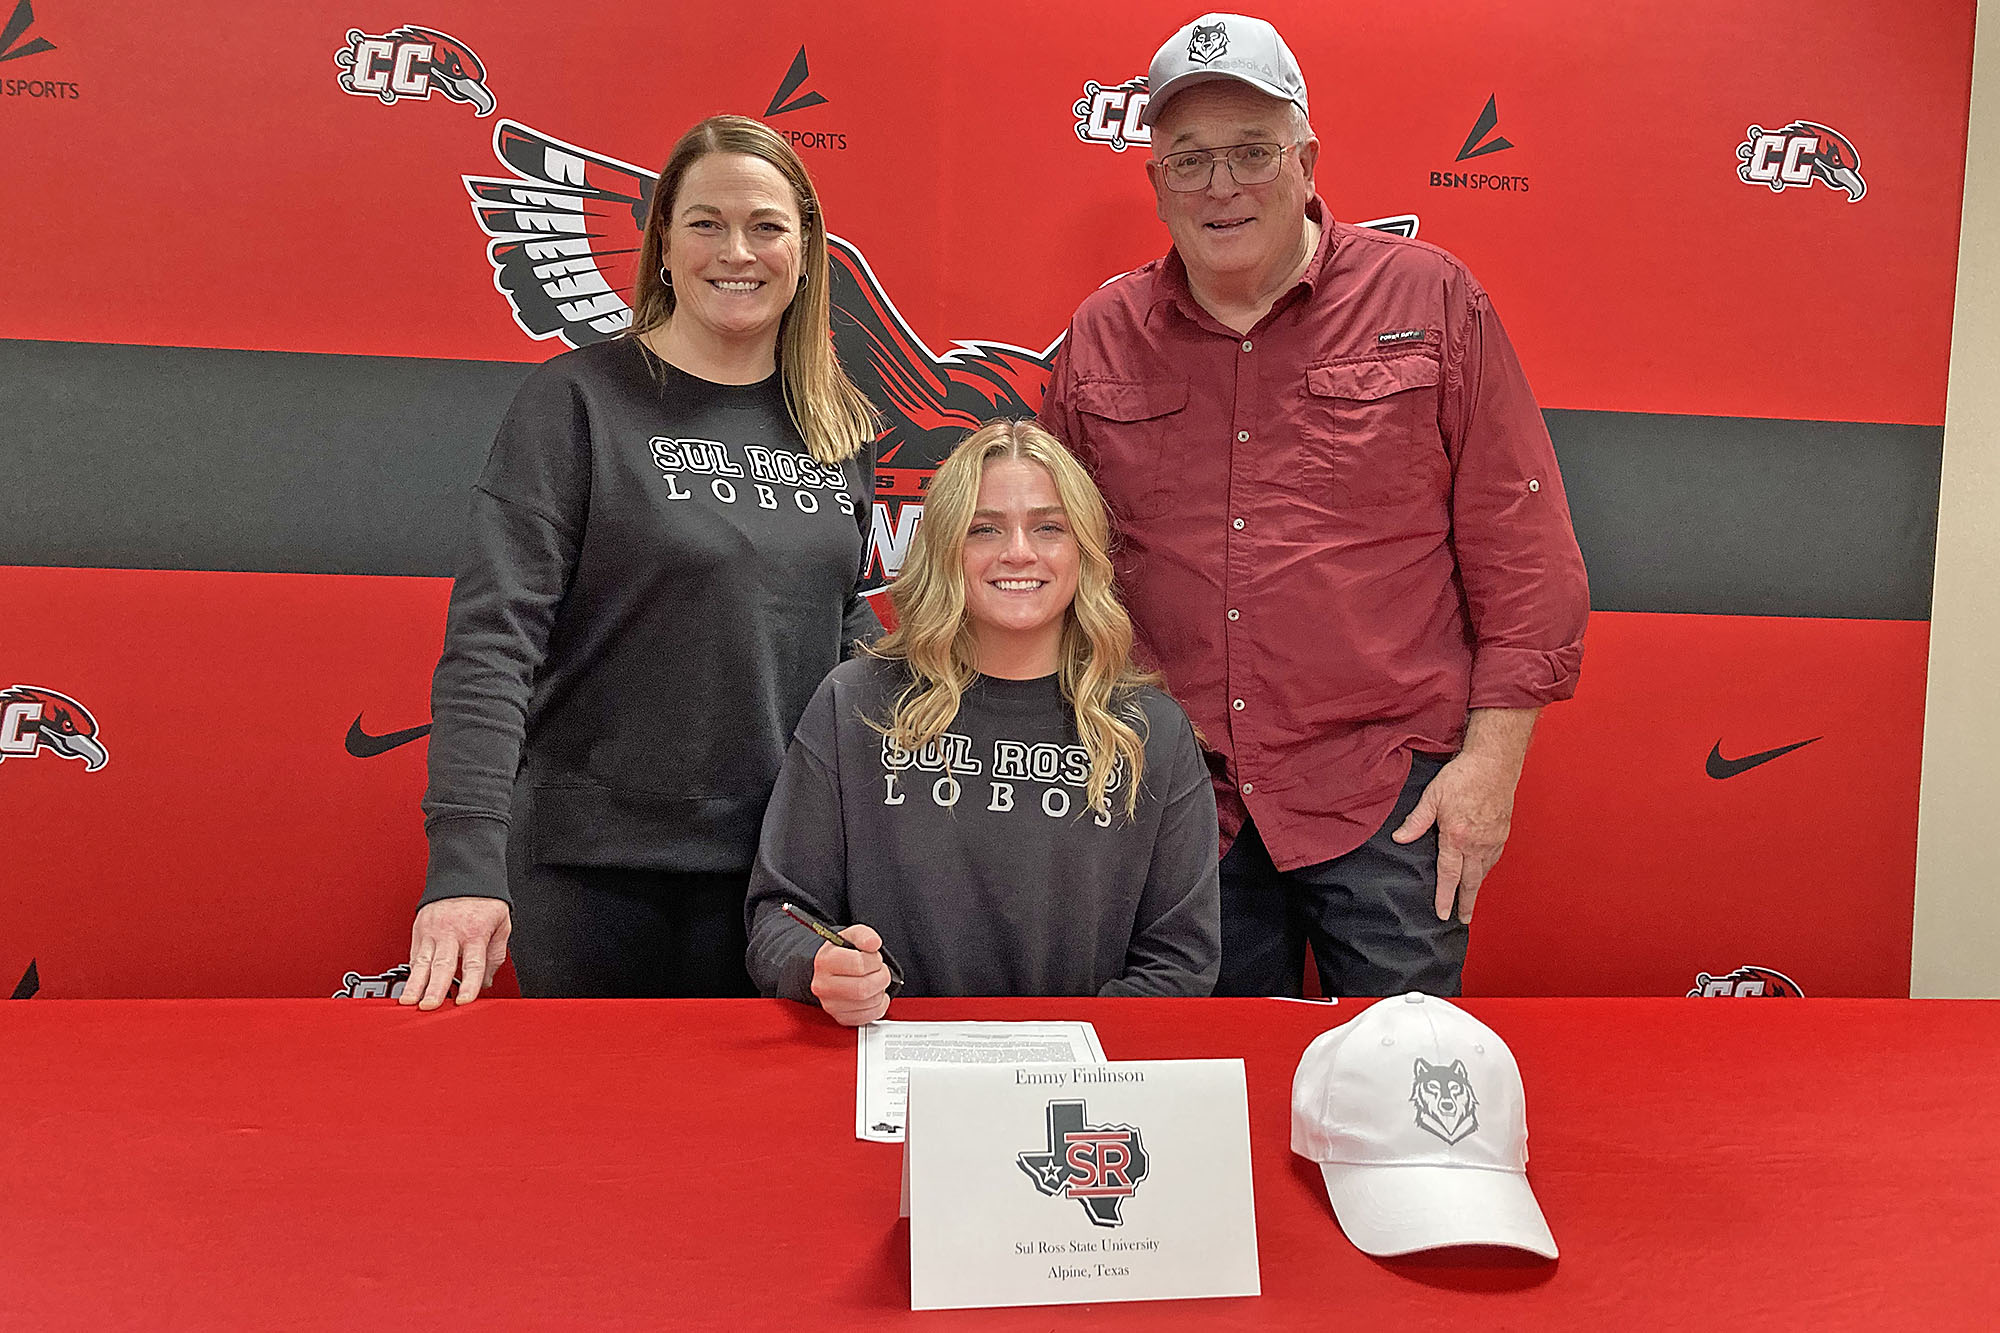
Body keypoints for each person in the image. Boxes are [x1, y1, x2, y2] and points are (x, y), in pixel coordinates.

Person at [1039, 14, 1590, 998]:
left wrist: (1490, 766)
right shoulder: (1100, 337)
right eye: (1189, 160)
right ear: (1154, 181)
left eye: (1251, 153)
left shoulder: (1429, 301)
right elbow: (1051, 575)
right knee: (1207, 1105)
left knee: (1398, 1097)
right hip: (1175, 801)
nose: (1221, 186)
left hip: (1388, 796)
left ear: (1304, 160)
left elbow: (1524, 550)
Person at [403, 115, 881, 1008]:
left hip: (781, 882)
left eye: (767, 226)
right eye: (705, 223)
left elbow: (844, 636)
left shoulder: (835, 427)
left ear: (806, 251)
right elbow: (492, 643)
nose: (736, 250)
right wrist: (464, 859)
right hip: (595, 872)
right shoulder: (578, 402)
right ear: (663, 242)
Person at [744, 420, 1221, 1024]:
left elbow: (1180, 963)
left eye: (1048, 527)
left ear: (1084, 552)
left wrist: (1045, 1061)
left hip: (1071, 1082)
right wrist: (820, 968)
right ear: (945, 547)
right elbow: (780, 917)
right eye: (984, 529)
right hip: (892, 1070)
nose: (1018, 551)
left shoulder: (1151, 731)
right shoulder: (856, 703)